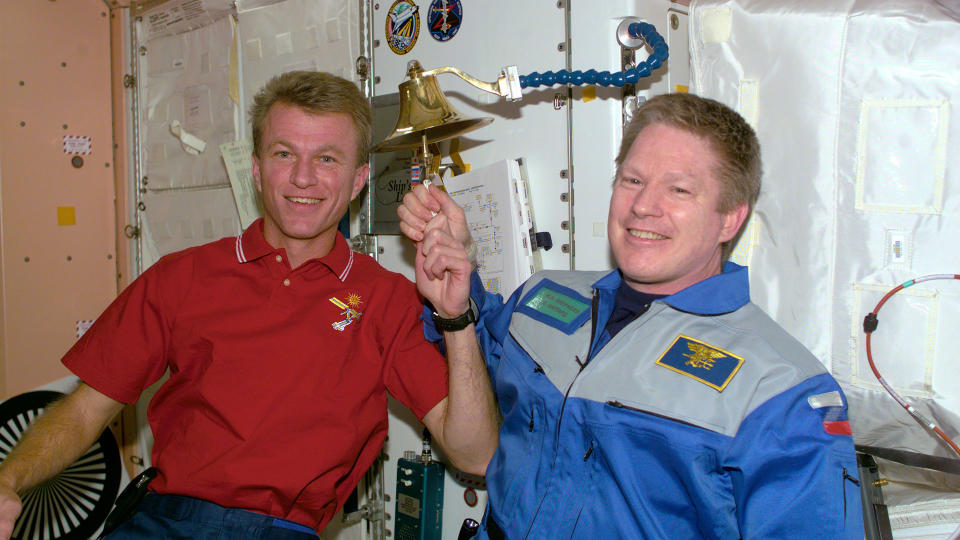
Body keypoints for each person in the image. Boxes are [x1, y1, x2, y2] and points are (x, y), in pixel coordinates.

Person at [0, 71, 498, 540]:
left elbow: (475, 455)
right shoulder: (182, 276)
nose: (303, 178)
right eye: (285, 154)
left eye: (327, 158)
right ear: (257, 170)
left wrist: (455, 316)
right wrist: (8, 480)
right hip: (164, 521)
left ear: (359, 179)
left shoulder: (385, 298)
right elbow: (86, 408)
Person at [398, 93, 864, 539]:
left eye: (678, 189)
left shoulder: (778, 390)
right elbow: (479, 363)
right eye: (633, 180)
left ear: (729, 219)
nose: (643, 206)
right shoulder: (544, 296)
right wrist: (457, 295)